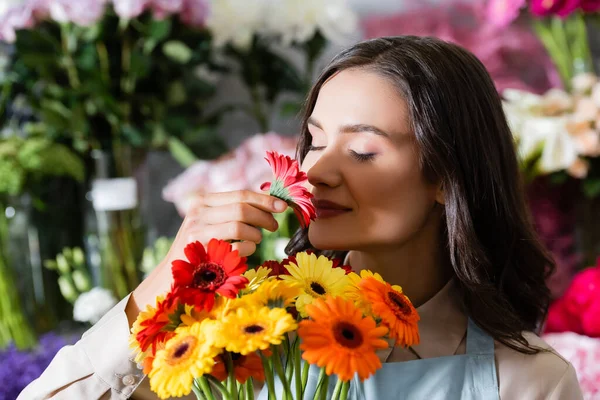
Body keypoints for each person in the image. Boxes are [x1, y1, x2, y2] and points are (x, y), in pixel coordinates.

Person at [19, 36, 582, 400]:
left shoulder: (530, 379)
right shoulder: (243, 335)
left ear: (446, 176)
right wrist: (166, 277)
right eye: (313, 142)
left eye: (363, 151)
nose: (317, 172)